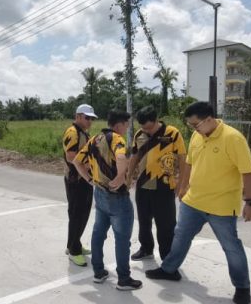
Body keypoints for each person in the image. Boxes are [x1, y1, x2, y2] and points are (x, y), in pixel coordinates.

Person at [146, 101, 251, 304]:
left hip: (221, 206)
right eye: (190, 125)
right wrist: (183, 186)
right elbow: (189, 162)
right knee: (181, 235)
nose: (193, 128)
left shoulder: (233, 138)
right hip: (193, 201)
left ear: (209, 119)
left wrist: (250, 202)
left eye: (195, 124)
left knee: (231, 246)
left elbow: (247, 172)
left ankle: (242, 287)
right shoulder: (198, 136)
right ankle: (169, 270)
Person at [74, 110, 142, 291]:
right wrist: (120, 177)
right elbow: (121, 156)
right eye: (127, 125)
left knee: (98, 234)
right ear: (120, 124)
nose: (127, 128)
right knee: (122, 239)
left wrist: (89, 179)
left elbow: (77, 161)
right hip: (117, 197)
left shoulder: (94, 139)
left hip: (99, 193)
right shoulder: (117, 139)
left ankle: (98, 272)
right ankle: (124, 279)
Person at [128, 105, 187, 261]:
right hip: (143, 185)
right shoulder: (139, 134)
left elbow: (182, 159)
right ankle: (146, 249)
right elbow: (134, 157)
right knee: (143, 221)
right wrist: (128, 177)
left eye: (149, 127)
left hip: (165, 187)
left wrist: (182, 184)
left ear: (156, 120)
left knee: (166, 225)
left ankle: (167, 256)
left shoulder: (172, 133)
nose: (146, 131)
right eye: (143, 128)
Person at [62, 104, 97, 267]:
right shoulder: (73, 132)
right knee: (77, 214)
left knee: (82, 214)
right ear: (78, 116)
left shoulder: (83, 132)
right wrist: (88, 165)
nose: (90, 121)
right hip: (76, 180)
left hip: (83, 178)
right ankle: (74, 250)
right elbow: (70, 156)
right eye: (87, 118)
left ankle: (74, 244)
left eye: (91, 118)